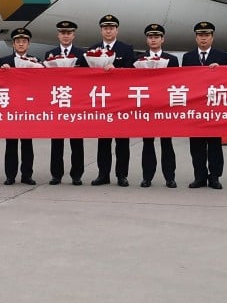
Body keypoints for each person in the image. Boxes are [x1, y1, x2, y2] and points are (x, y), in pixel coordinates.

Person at [181, 21, 227, 189]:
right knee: (197, 146)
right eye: (200, 35)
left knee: (215, 145)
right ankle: (199, 177)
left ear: (212, 37)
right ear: (196, 38)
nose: (203, 38)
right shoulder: (188, 57)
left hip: (214, 107)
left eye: (207, 35)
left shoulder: (222, 56)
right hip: (196, 109)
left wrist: (221, 70)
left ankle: (215, 177)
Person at [90, 14, 135, 187]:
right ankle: (103, 174)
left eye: (111, 28)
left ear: (117, 30)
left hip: (121, 101)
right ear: (101, 30)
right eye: (105, 28)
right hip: (102, 101)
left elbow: (132, 72)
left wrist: (117, 70)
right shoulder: (92, 49)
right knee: (104, 141)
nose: (108, 31)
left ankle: (122, 175)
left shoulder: (126, 49)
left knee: (122, 141)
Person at [45, 20, 87, 185]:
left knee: (77, 142)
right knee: (57, 142)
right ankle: (56, 174)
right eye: (63, 33)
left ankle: (77, 175)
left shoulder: (82, 54)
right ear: (58, 35)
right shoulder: (50, 53)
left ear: (73, 35)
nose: (65, 36)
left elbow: (88, 78)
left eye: (68, 33)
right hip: (57, 102)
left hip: (76, 102)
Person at [137, 24, 178, 188]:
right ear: (147, 40)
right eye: (150, 37)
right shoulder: (139, 59)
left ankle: (170, 177)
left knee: (166, 143)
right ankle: (147, 177)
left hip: (165, 107)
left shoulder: (172, 60)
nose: (153, 40)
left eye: (156, 37)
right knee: (147, 143)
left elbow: (177, 83)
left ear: (163, 39)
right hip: (147, 107)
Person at [0, 27, 37, 185]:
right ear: (13, 44)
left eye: (24, 41)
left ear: (28, 44)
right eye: (18, 41)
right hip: (11, 107)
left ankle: (27, 175)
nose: (21, 44)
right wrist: (3, 72)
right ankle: (10, 175)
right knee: (11, 143)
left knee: (27, 143)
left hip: (27, 107)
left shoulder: (35, 61)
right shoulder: (4, 61)